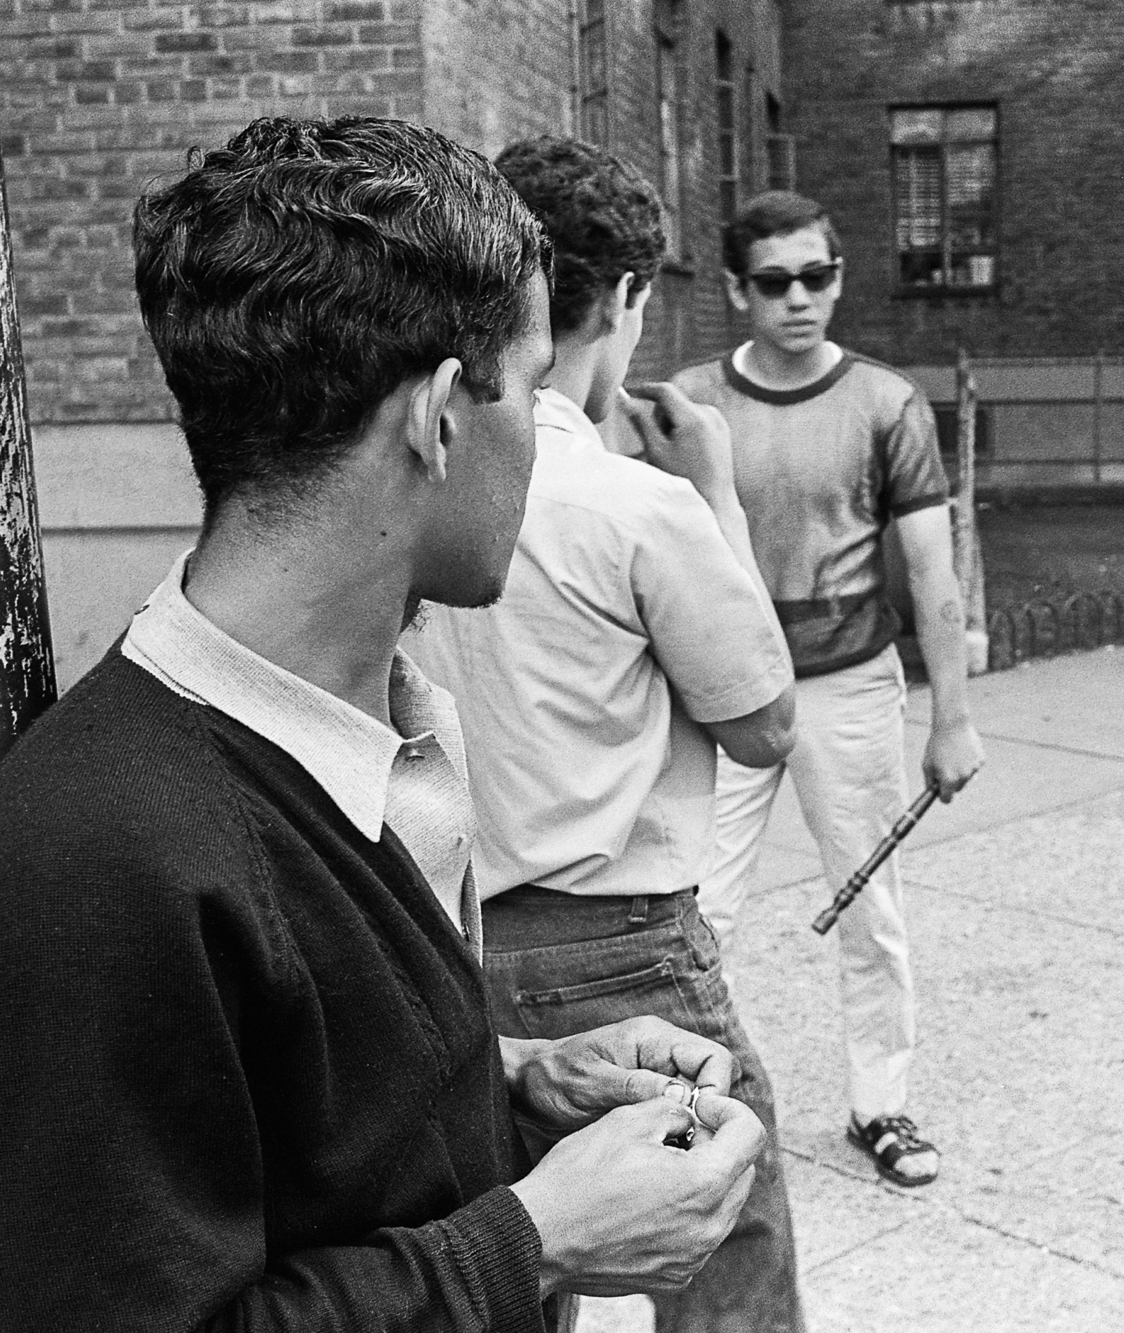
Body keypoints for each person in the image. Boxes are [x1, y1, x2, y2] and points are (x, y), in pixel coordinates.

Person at [0, 116, 767, 1332]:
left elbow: (299, 1138)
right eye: (528, 390)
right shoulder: (95, 864)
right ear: (436, 417)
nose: (541, 435)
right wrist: (534, 1242)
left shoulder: (371, 732)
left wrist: (519, 1085)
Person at [409, 136, 804, 1331]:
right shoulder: (638, 503)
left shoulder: (418, 472)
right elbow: (765, 720)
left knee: (523, 1249)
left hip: (452, 926)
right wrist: (718, 494)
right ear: (626, 297)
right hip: (620, 941)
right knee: (735, 1233)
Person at [674, 192, 983, 1189]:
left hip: (847, 686)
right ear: (735, 290)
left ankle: (878, 1104)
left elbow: (931, 571)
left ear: (838, 275)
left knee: (868, 909)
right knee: (688, 911)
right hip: (720, 695)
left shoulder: (886, 404)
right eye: (773, 282)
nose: (798, 299)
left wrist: (952, 718)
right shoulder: (684, 406)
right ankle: (680, 1110)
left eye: (817, 276)